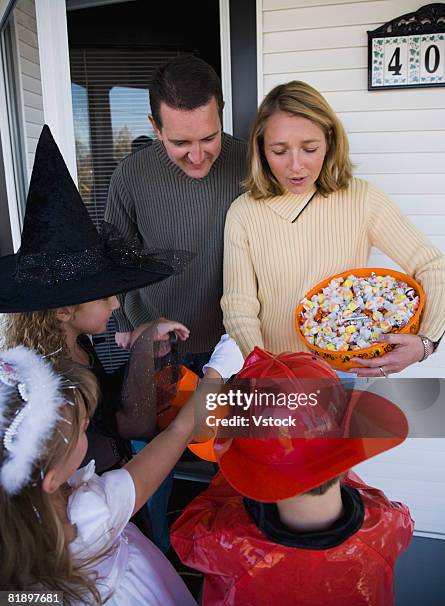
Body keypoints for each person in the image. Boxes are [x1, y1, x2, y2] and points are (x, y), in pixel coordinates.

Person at [0, 125, 191, 476]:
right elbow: (132, 425)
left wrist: (143, 342)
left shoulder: (77, 346)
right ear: (63, 310)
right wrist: (142, 345)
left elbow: (106, 402)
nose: (116, 306)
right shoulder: (51, 382)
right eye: (105, 297)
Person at [221, 81, 445, 376]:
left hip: (348, 372)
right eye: (279, 151)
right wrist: (265, 368)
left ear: (329, 141)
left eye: (310, 148)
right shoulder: (243, 212)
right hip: (277, 370)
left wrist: (426, 341)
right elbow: (239, 306)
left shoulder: (363, 198)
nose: (296, 165)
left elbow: (432, 265)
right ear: (261, 150)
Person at [0, 341, 242, 606]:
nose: (86, 423)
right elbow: (178, 432)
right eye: (78, 430)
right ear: (51, 478)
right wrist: (216, 373)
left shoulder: (13, 555)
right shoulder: (95, 512)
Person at [170, 349, 414, 606]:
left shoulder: (225, 542)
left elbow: (185, 535)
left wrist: (239, 473)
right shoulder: (389, 522)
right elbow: (386, 510)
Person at [105, 55, 247, 374]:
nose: (197, 156)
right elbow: (115, 259)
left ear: (220, 116)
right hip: (159, 342)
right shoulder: (130, 176)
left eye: (209, 138)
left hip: (236, 342)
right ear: (155, 127)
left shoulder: (250, 163)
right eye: (181, 142)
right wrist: (128, 324)